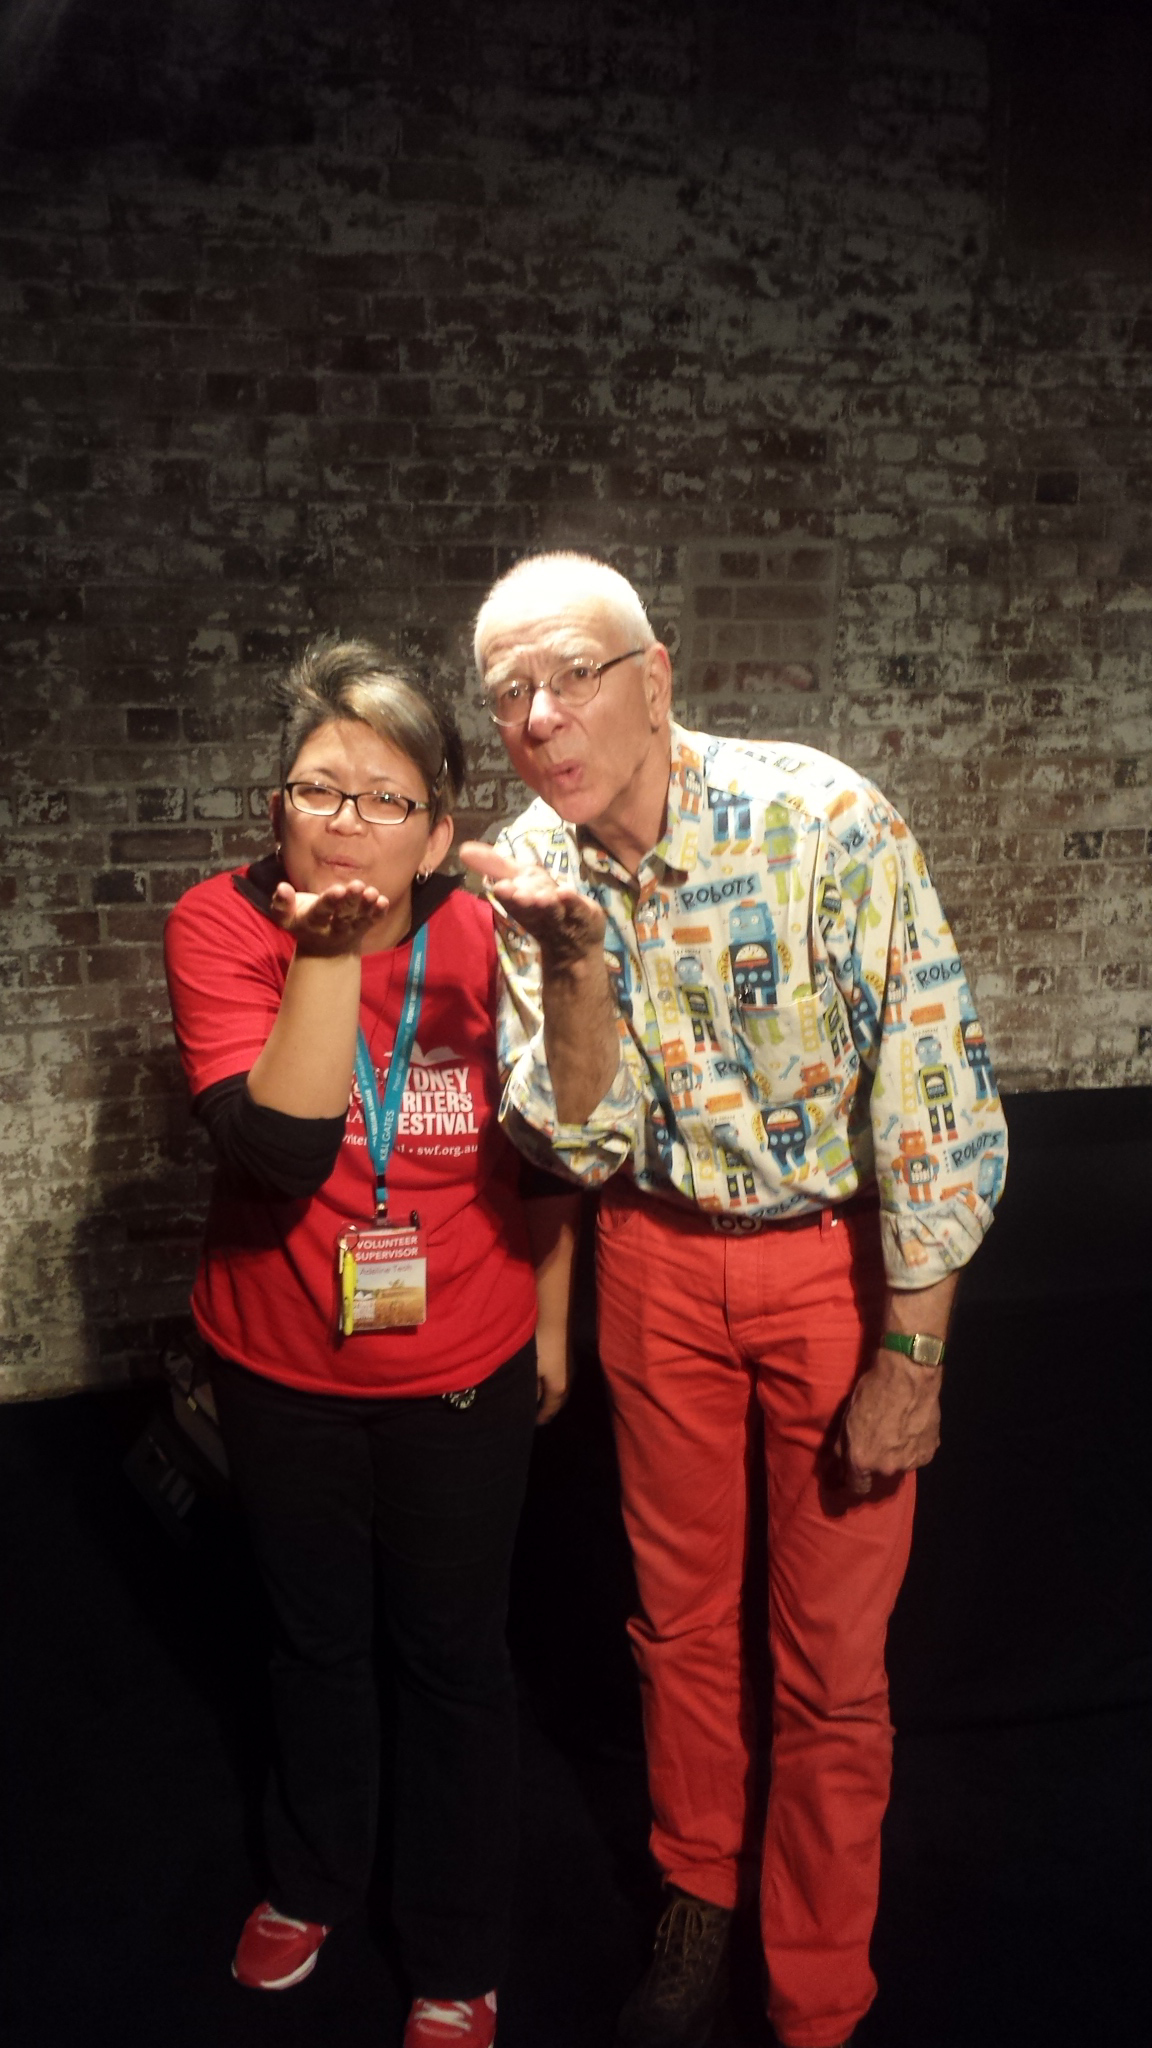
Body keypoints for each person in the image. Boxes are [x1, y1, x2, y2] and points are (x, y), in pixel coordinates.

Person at [459, 553, 1009, 2048]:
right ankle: (699, 1892)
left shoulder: (820, 814)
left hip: (828, 1264)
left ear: (658, 675)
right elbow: (569, 1140)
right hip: (651, 1263)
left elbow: (933, 1089)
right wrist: (571, 963)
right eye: (508, 692)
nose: (540, 714)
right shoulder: (529, 865)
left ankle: (819, 1982)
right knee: (679, 1624)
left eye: (570, 673)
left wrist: (914, 1347)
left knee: (831, 1657)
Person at [164, 640, 577, 2048]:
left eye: (385, 798)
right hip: (282, 1363)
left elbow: (554, 1154)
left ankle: (457, 1952)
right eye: (317, 788)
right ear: (274, 808)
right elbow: (279, 1153)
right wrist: (328, 955)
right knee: (312, 1640)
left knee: (455, 1657)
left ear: (442, 830)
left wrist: (555, 1325)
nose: (345, 819)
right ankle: (312, 1874)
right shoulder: (221, 926)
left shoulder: (487, 932)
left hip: (464, 1356)